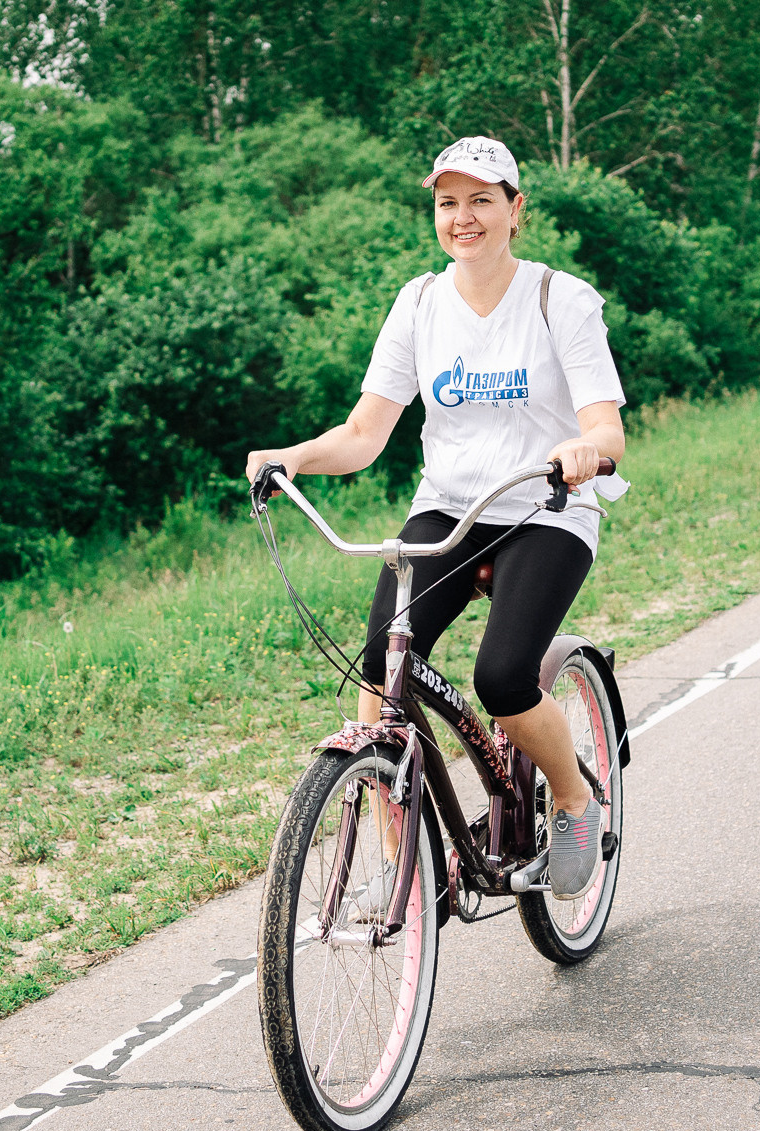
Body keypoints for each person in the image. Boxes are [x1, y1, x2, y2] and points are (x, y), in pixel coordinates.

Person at [244, 136, 627, 899]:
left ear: (515, 210)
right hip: (449, 509)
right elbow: (363, 433)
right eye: (448, 203)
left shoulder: (561, 298)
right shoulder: (419, 303)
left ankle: (576, 800)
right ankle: (401, 864)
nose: (464, 217)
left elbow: (607, 427)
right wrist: (291, 454)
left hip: (545, 507)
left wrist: (585, 451)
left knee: (504, 677)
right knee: (380, 668)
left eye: (482, 200)